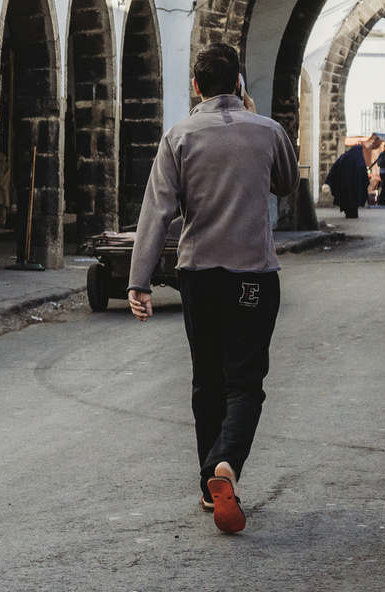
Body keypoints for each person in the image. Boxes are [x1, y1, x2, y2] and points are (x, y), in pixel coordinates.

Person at [128, 43, 298, 535]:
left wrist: (139, 280)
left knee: (207, 379)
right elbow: (285, 183)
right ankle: (227, 465)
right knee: (245, 381)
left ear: (196, 86)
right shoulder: (268, 131)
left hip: (199, 275)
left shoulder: (178, 136)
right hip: (253, 276)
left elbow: (157, 211)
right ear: (239, 83)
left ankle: (209, 484)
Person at [326, 140, 368, 219]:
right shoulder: (359, 159)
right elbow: (364, 174)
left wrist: (329, 181)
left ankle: (348, 213)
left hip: (344, 186)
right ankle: (353, 214)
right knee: (353, 202)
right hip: (355, 187)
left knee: (346, 201)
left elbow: (334, 168)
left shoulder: (344, 156)